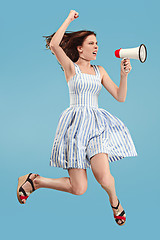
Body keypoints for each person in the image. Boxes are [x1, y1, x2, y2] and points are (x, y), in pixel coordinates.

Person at [17, 10, 138, 226]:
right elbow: (55, 45)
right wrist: (69, 18)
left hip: (97, 124)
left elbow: (120, 97)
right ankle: (35, 181)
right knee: (79, 188)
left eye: (97, 43)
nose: (96, 47)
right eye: (91, 43)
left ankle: (114, 201)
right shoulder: (71, 68)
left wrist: (124, 75)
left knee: (103, 175)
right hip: (75, 127)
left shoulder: (99, 70)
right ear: (80, 48)